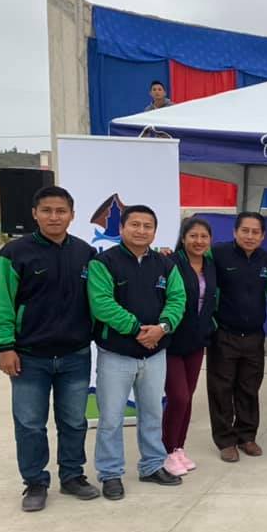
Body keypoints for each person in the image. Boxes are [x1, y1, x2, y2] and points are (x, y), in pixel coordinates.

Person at [0, 185, 99, 511]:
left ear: (72, 215)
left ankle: (72, 476)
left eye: (61, 211)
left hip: (75, 355)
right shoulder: (14, 253)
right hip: (28, 358)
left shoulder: (85, 254)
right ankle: (35, 483)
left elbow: (98, 300)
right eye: (47, 210)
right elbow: (1, 303)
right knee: (30, 425)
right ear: (35, 214)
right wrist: (5, 346)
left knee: (74, 421)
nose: (54, 217)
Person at [88, 205, 186, 499]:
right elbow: (102, 303)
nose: (141, 231)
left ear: (155, 231)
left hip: (155, 354)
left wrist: (162, 328)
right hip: (116, 354)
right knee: (111, 418)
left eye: (148, 226)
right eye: (135, 225)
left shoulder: (166, 264)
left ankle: (152, 465)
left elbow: (177, 299)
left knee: (153, 413)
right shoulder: (103, 263)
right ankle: (110, 473)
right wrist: (137, 329)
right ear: (122, 228)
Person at [207, 212, 267, 462]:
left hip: (254, 335)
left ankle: (247, 436)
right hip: (224, 334)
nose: (250, 236)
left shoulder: (265, 259)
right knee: (221, 389)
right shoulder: (218, 253)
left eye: (255, 232)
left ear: (263, 236)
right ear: (235, 232)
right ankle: (225, 440)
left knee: (249, 388)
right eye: (245, 230)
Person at [161, 217, 216, 475]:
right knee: (178, 397)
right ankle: (167, 450)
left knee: (188, 397)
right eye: (193, 236)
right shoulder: (170, 262)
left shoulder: (210, 265)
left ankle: (178, 447)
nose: (199, 241)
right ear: (183, 238)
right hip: (172, 341)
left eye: (204, 236)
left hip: (197, 341)